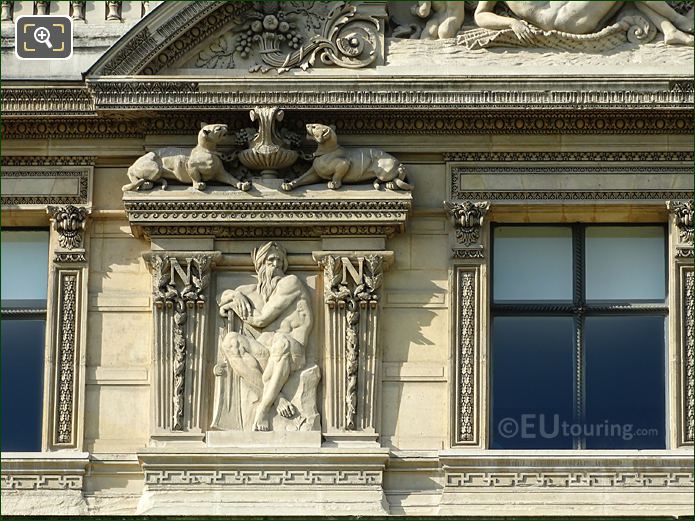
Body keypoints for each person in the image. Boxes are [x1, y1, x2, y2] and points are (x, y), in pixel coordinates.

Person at [218, 242, 312, 431]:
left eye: (279, 261)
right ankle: (277, 400)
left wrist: (234, 303)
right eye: (270, 261)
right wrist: (233, 296)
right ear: (261, 266)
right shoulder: (259, 291)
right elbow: (224, 299)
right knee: (230, 341)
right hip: (268, 353)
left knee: (281, 342)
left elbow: (261, 319)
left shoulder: (290, 282)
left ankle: (263, 409)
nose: (276, 265)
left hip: (292, 352)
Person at [474, 1, 694, 46]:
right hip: (565, 22)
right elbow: (480, 16)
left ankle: (670, 30)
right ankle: (677, 21)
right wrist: (512, 24)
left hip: (571, 12)